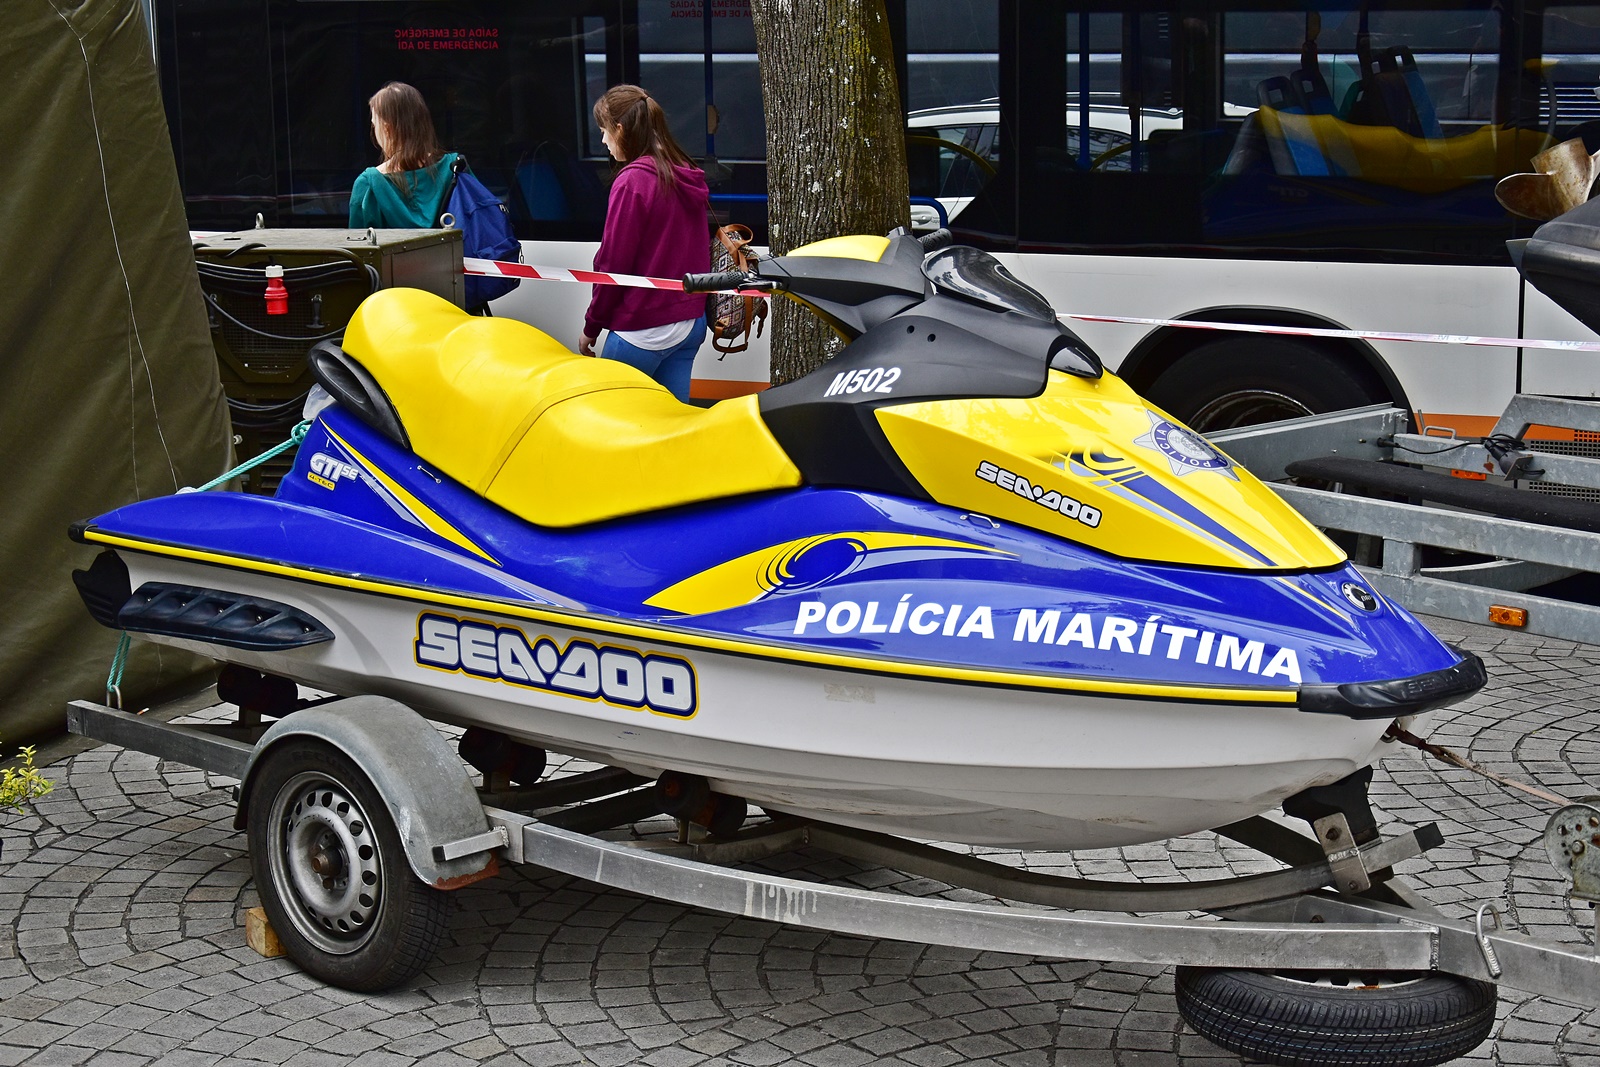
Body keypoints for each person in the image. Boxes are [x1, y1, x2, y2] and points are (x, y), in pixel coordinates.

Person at [580, 85, 710, 402]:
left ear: (620, 129)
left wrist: (591, 326)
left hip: (642, 330)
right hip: (690, 323)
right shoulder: (685, 172)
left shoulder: (633, 181)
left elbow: (613, 265)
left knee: (610, 417)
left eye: (604, 131)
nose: (603, 141)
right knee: (672, 421)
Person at [349, 82, 456, 230]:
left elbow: (357, 242)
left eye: (374, 125)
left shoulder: (367, 185)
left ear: (386, 129)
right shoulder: (455, 169)